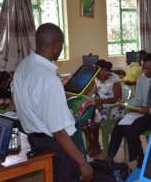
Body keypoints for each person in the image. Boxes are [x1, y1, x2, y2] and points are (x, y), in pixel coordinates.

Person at [12, 23, 93, 182]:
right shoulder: (48, 79)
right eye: (61, 45)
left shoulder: (23, 66)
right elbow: (59, 131)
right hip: (60, 146)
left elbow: (27, 100)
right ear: (56, 46)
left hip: (36, 139)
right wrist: (83, 163)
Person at [107, 53, 151, 167]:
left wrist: (150, 110)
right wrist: (126, 104)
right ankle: (109, 157)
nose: (145, 71)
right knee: (119, 124)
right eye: (143, 68)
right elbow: (138, 99)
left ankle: (140, 158)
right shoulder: (142, 79)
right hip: (142, 113)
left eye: (148, 69)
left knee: (132, 128)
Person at [83, 59, 123, 158]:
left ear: (105, 71)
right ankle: (94, 145)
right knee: (84, 123)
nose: (96, 74)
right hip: (101, 108)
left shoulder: (114, 80)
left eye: (99, 71)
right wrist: (95, 100)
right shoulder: (96, 79)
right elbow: (96, 94)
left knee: (93, 121)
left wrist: (101, 102)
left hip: (113, 109)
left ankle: (94, 147)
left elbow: (116, 98)